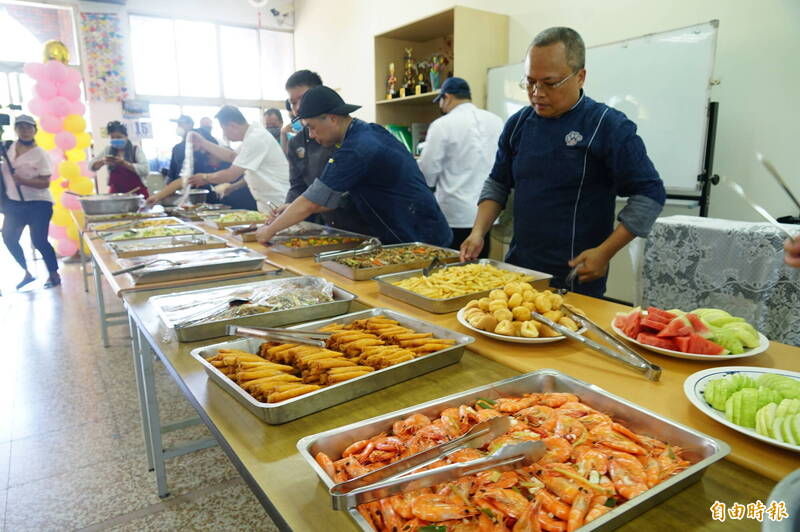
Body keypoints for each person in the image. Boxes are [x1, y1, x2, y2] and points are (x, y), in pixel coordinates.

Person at [460, 27, 666, 297]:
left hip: (574, 276)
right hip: (519, 269)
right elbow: (498, 182)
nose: (536, 93)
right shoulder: (518, 124)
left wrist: (604, 253)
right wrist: (478, 232)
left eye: (549, 83)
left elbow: (650, 194)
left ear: (580, 77)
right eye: (530, 82)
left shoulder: (608, 125)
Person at [255, 85, 452, 247]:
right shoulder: (365, 133)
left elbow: (312, 201)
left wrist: (269, 231)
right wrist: (291, 209)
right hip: (414, 232)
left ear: (332, 118)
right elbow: (327, 197)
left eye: (312, 127)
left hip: (422, 239)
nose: (312, 136)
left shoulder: (357, 148)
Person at [418, 77, 503, 256]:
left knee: (453, 273)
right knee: (480, 271)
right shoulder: (496, 121)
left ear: (447, 97)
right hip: (486, 213)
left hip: (454, 214)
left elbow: (427, 173)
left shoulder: (442, 125)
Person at [147, 106, 288, 212]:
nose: (223, 133)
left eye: (223, 128)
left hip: (277, 201)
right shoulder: (252, 136)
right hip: (267, 204)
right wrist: (203, 143)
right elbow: (232, 156)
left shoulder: (256, 138)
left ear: (232, 125)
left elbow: (232, 173)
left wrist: (206, 177)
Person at [278, 70, 365, 231]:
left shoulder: (349, 138)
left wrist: (303, 208)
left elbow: (342, 190)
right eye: (292, 102)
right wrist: (289, 208)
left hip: (361, 222)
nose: (298, 108)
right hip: (330, 225)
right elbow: (298, 186)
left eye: (302, 99)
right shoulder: (296, 142)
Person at [0, 115, 60, 289]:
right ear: (16, 129)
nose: (25, 131)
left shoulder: (40, 154)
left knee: (39, 240)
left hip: (39, 203)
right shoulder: (8, 147)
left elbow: (45, 182)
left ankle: (54, 274)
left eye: (29, 127)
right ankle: (26, 272)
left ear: (35, 130)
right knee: (9, 237)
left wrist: (23, 181)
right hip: (15, 203)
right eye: (21, 127)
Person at [90, 121, 150, 198]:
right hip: (116, 194)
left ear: (126, 137)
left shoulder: (136, 150)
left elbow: (145, 170)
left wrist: (125, 164)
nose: (115, 139)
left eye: (119, 137)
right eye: (112, 137)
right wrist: (102, 161)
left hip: (137, 193)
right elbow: (91, 166)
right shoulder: (108, 150)